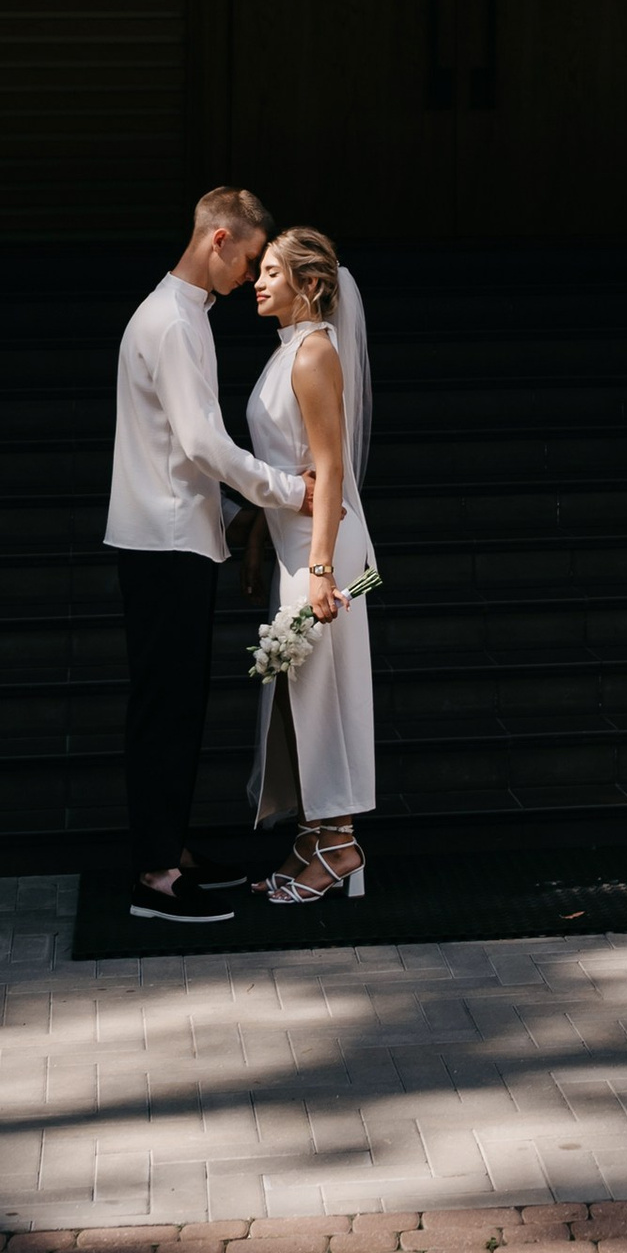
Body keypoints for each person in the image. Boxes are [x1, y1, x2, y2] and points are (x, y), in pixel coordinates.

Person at [104, 181, 310, 926]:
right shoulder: (174, 323)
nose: (252, 276)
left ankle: (170, 848)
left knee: (173, 703)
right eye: (249, 258)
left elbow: (173, 450)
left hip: (169, 533)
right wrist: (286, 491)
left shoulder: (177, 315)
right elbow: (199, 444)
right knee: (166, 707)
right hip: (163, 544)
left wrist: (231, 516)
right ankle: (157, 878)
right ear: (219, 238)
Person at [244, 224, 377, 905]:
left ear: (312, 285)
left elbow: (329, 467)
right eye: (259, 269)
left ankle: (341, 845)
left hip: (324, 551)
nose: (258, 280)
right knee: (300, 697)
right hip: (298, 545)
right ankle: (314, 835)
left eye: (272, 270)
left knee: (325, 696)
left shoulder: (312, 354)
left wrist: (322, 569)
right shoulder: (287, 351)